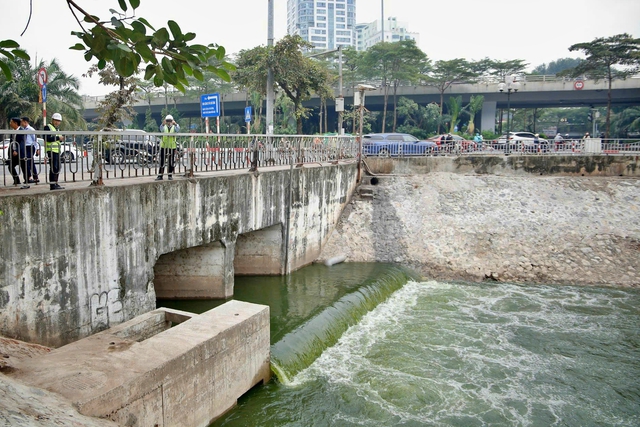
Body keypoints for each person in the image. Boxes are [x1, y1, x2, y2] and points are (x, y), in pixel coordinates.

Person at [44, 113, 65, 190]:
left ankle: (55, 183)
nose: (57, 122)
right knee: (53, 168)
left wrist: (61, 139)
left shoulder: (57, 129)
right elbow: (47, 138)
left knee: (58, 168)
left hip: (57, 151)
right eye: (56, 120)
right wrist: (58, 138)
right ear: (52, 120)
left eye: (59, 121)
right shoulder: (47, 127)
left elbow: (58, 140)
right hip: (51, 150)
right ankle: (52, 185)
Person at [156, 114, 180, 181]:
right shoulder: (164, 127)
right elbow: (161, 129)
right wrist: (163, 124)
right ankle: (160, 176)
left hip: (172, 146)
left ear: (172, 121)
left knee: (171, 162)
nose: (169, 122)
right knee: (162, 161)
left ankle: (170, 175)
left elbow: (178, 130)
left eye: (170, 121)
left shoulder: (174, 127)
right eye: (168, 121)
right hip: (164, 146)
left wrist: (175, 124)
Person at [21, 116, 39, 184]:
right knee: (30, 162)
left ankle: (30, 177)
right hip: (25, 147)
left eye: (22, 121)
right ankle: (35, 177)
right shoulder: (23, 129)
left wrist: (37, 148)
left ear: (25, 122)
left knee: (27, 161)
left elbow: (35, 139)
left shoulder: (31, 129)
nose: (21, 123)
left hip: (30, 147)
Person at [8, 118, 25, 187]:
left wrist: (17, 151)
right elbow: (11, 142)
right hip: (13, 153)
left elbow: (21, 143)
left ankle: (27, 181)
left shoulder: (21, 131)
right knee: (10, 166)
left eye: (11, 122)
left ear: (15, 123)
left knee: (24, 167)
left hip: (20, 153)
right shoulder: (12, 132)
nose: (10, 123)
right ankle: (16, 180)